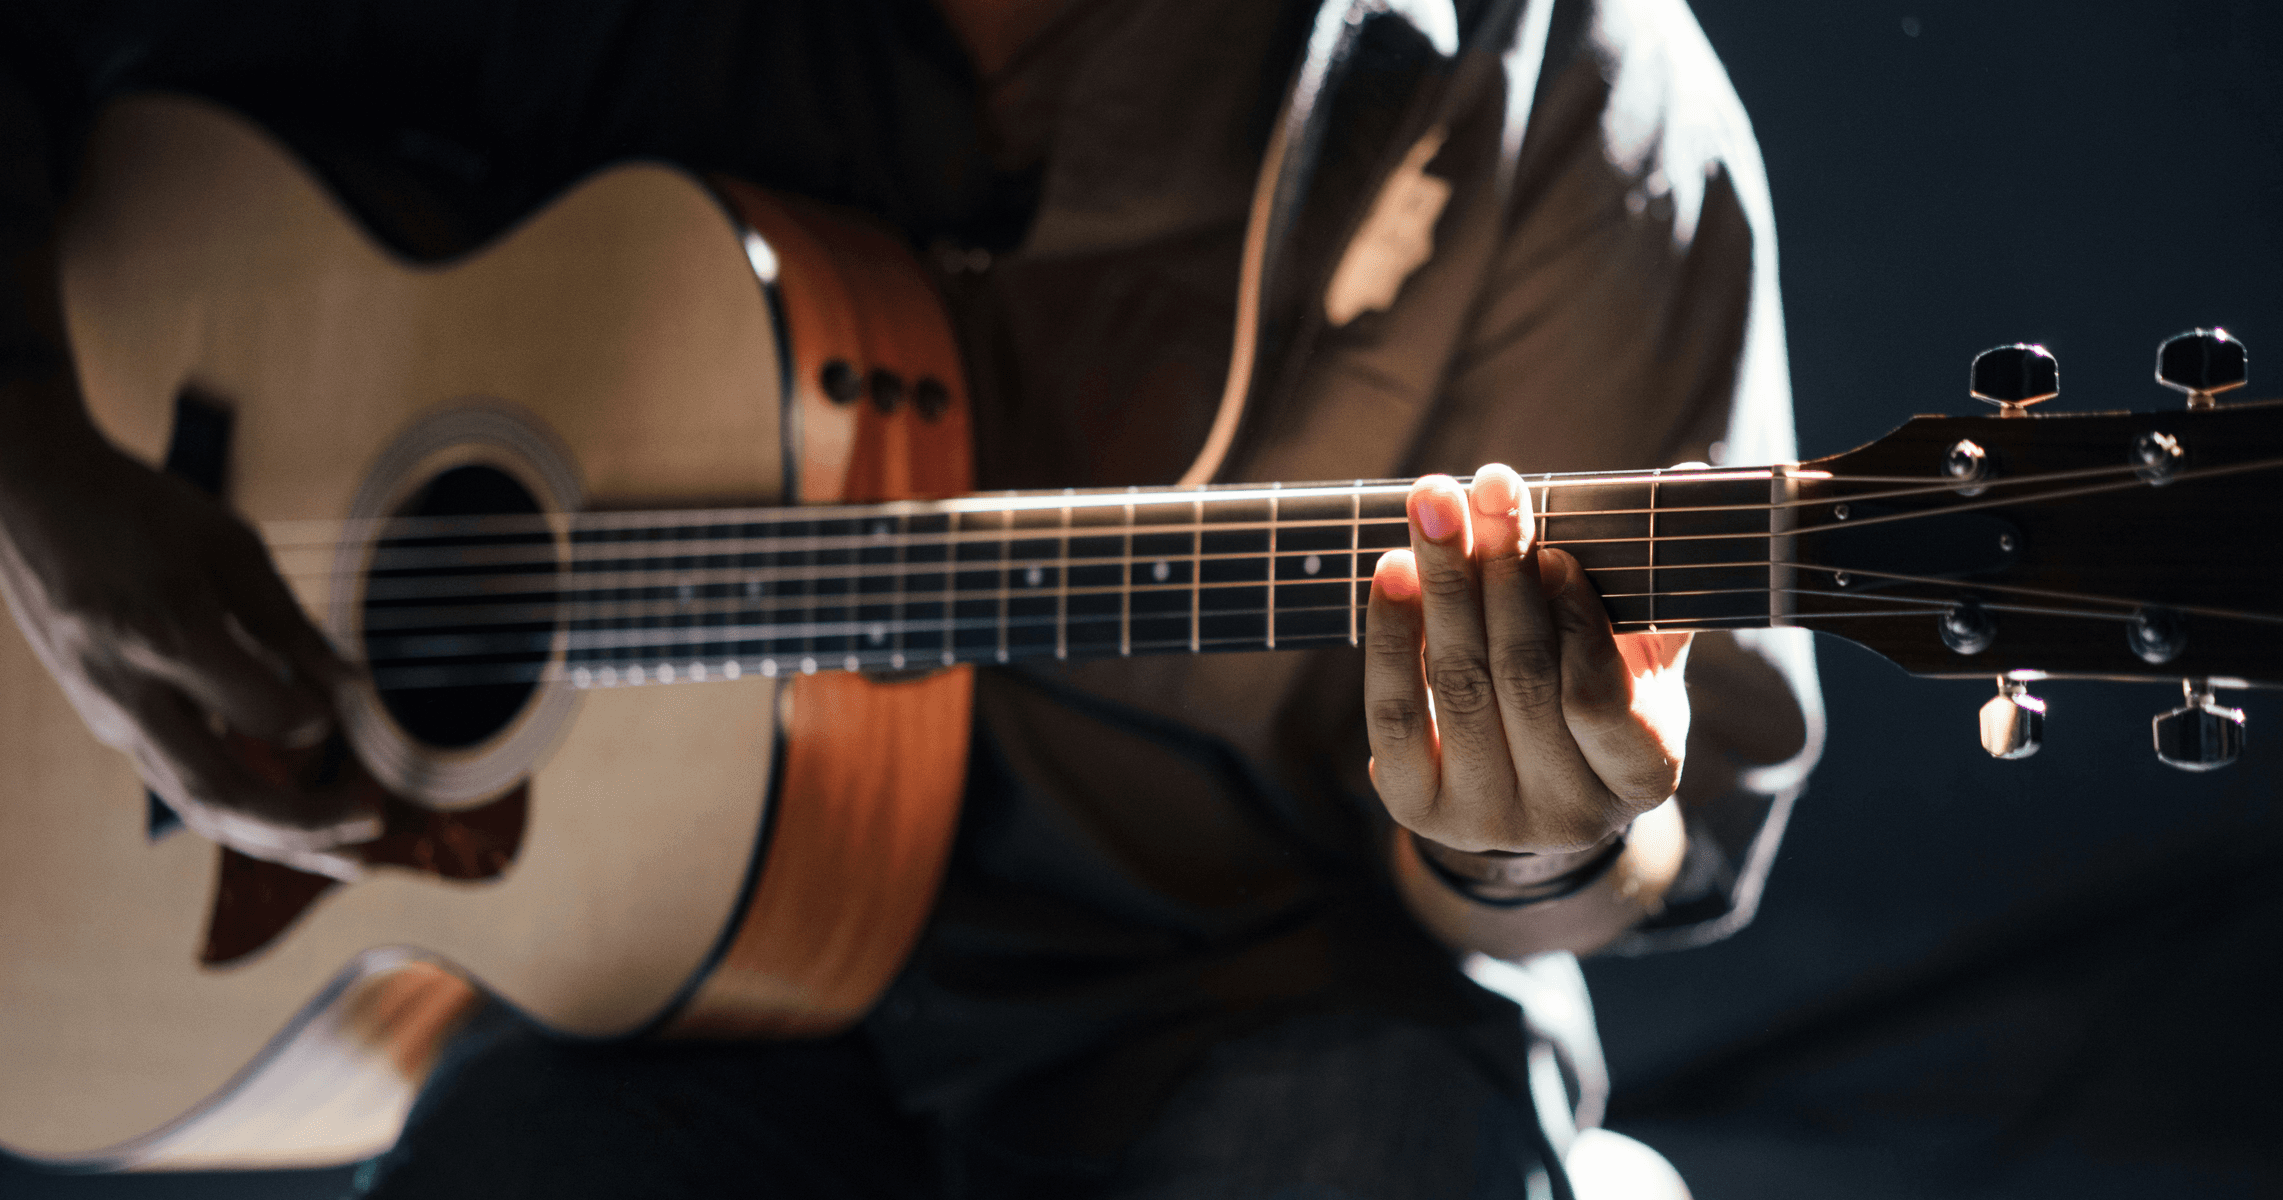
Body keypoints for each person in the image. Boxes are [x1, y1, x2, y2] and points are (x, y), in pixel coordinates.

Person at [0, 0, 1820, 1195]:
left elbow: (1640, 846)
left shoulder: (1566, 88)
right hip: (669, 1002)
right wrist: (43, 480)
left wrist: (1533, 832)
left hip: (1253, 992)